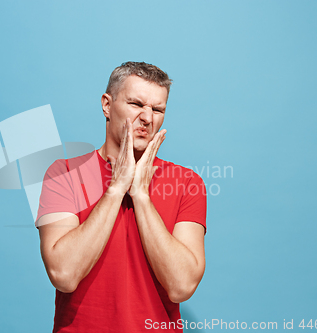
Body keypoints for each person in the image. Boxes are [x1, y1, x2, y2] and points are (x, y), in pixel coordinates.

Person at [35, 62, 207, 332]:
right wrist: (116, 189)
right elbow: (64, 275)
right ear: (107, 105)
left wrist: (141, 195)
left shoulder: (187, 183)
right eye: (136, 104)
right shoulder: (63, 174)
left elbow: (181, 286)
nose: (147, 118)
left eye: (158, 109)